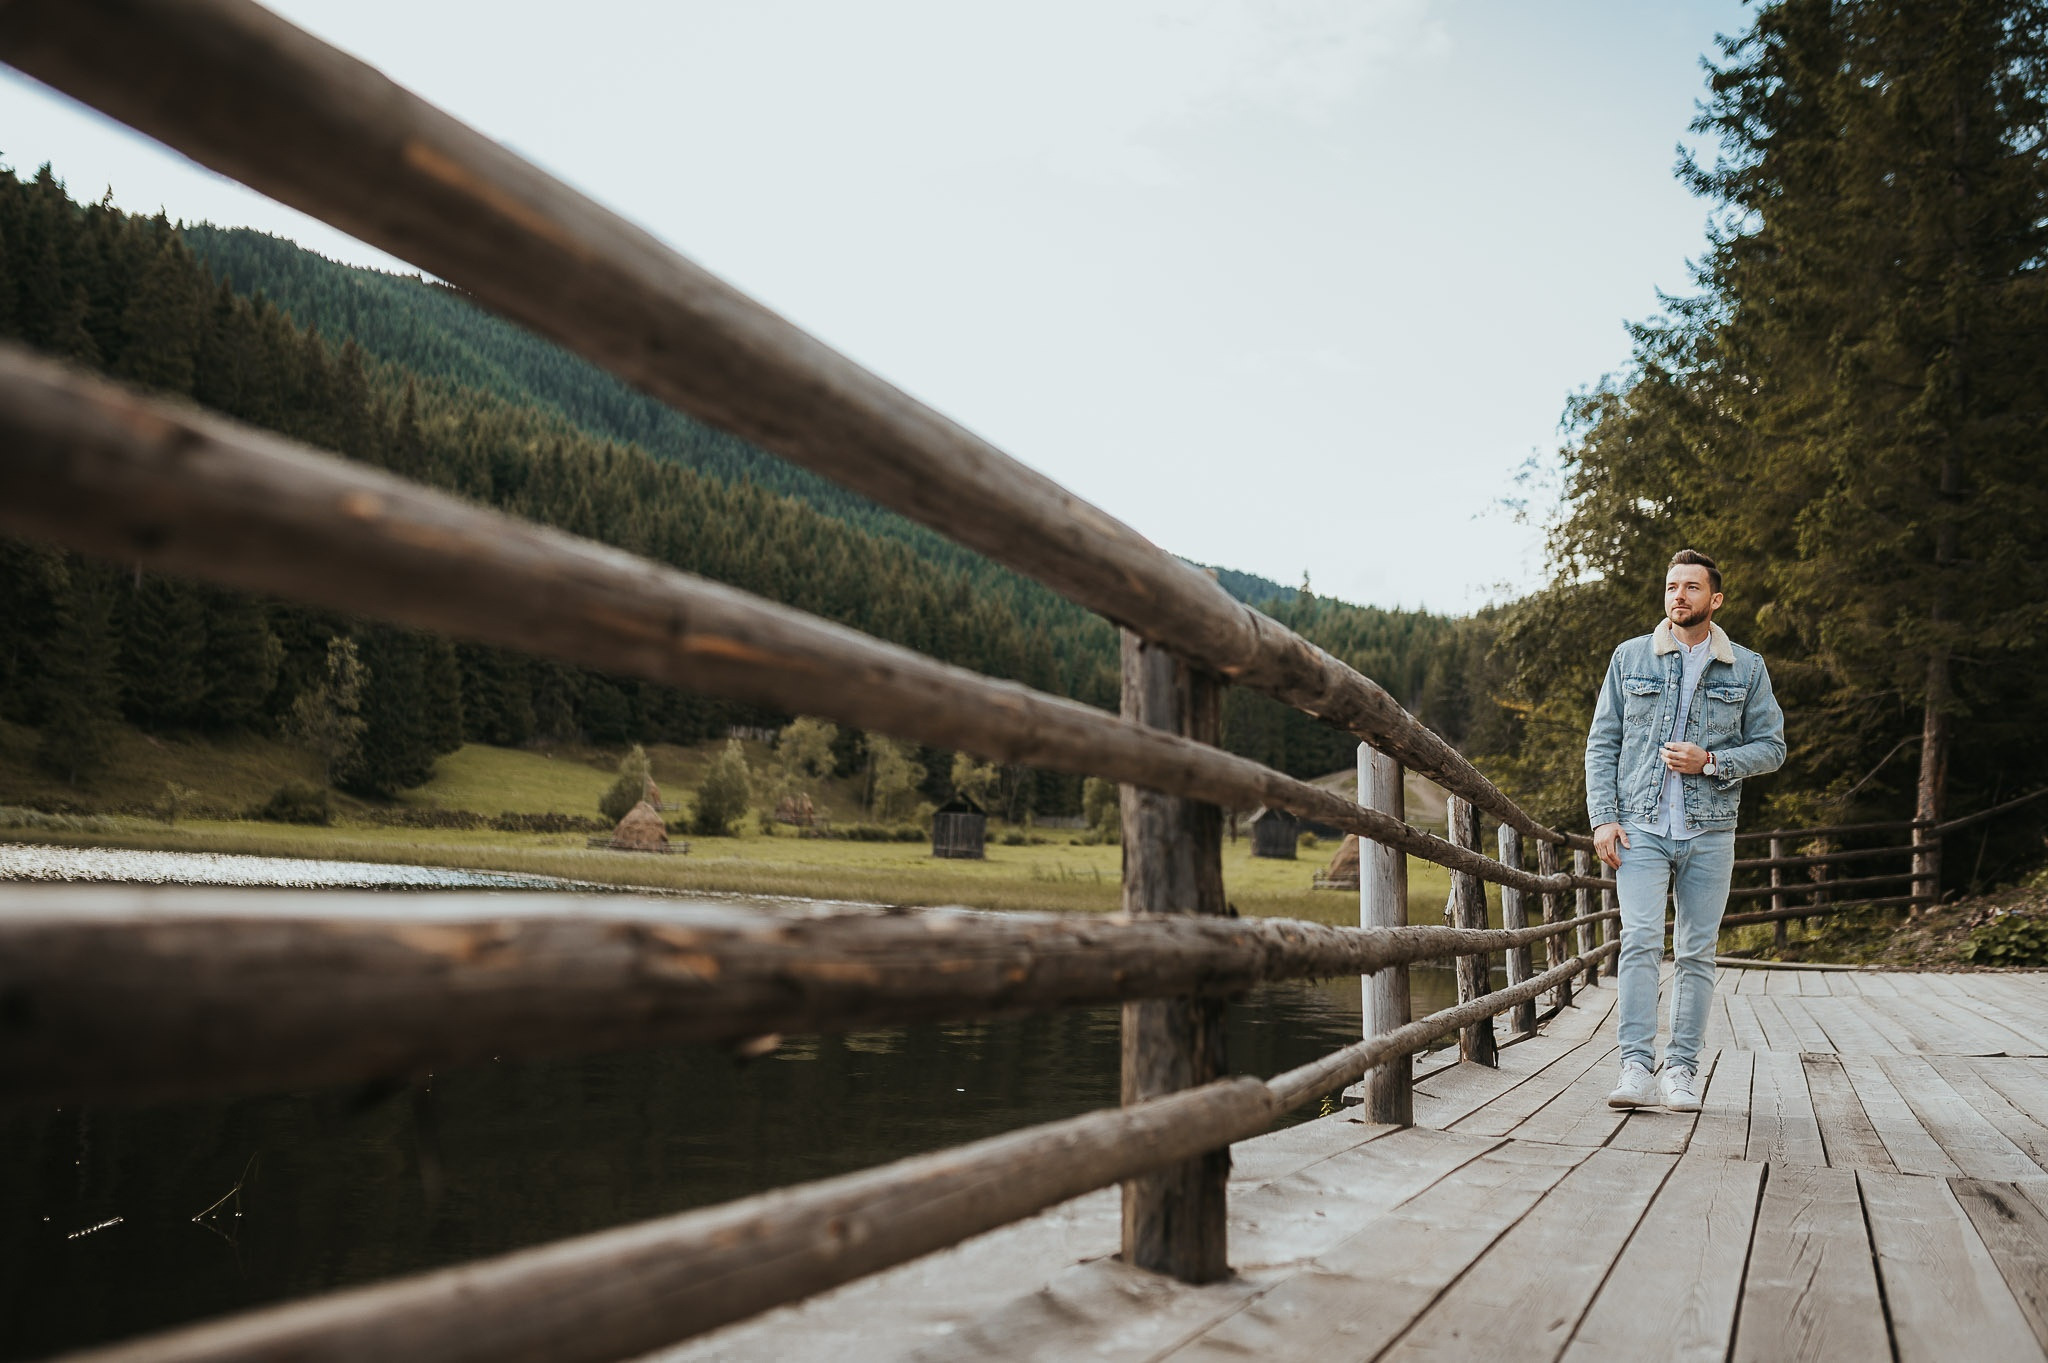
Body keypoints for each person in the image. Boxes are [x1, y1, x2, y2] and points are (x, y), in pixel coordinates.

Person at [1584, 549, 1785, 1112]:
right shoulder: (1630, 658)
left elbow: (1772, 748)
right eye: (1672, 586)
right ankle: (1634, 1065)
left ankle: (1682, 1071)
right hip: (1640, 827)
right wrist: (1603, 817)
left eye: (1692, 588)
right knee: (1641, 941)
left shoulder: (1747, 667)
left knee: (1697, 952)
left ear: (1714, 599)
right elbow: (1602, 743)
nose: (1679, 596)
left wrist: (1712, 762)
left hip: (1711, 831)